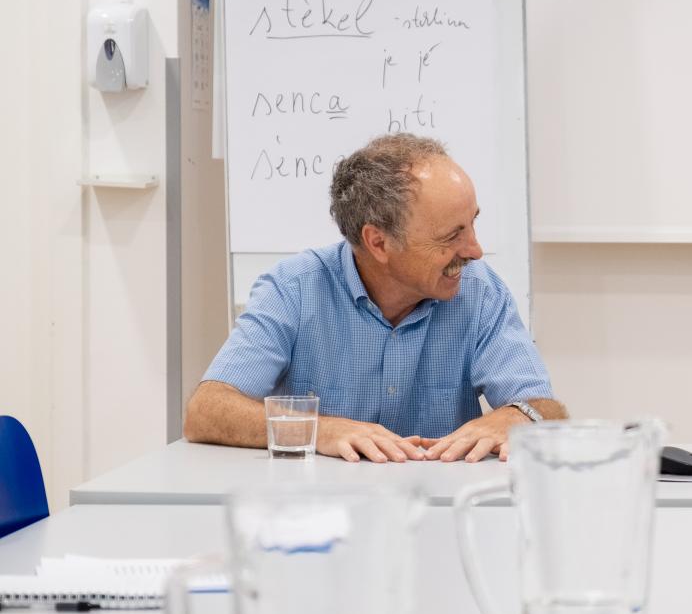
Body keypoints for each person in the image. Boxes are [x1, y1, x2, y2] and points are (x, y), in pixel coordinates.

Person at [184, 133, 566, 462]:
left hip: (438, 506)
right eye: (452, 236)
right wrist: (323, 430)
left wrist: (518, 416)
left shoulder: (480, 293)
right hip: (320, 508)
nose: (475, 250)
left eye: (472, 224)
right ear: (378, 242)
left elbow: (548, 409)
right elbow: (206, 411)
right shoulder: (294, 290)